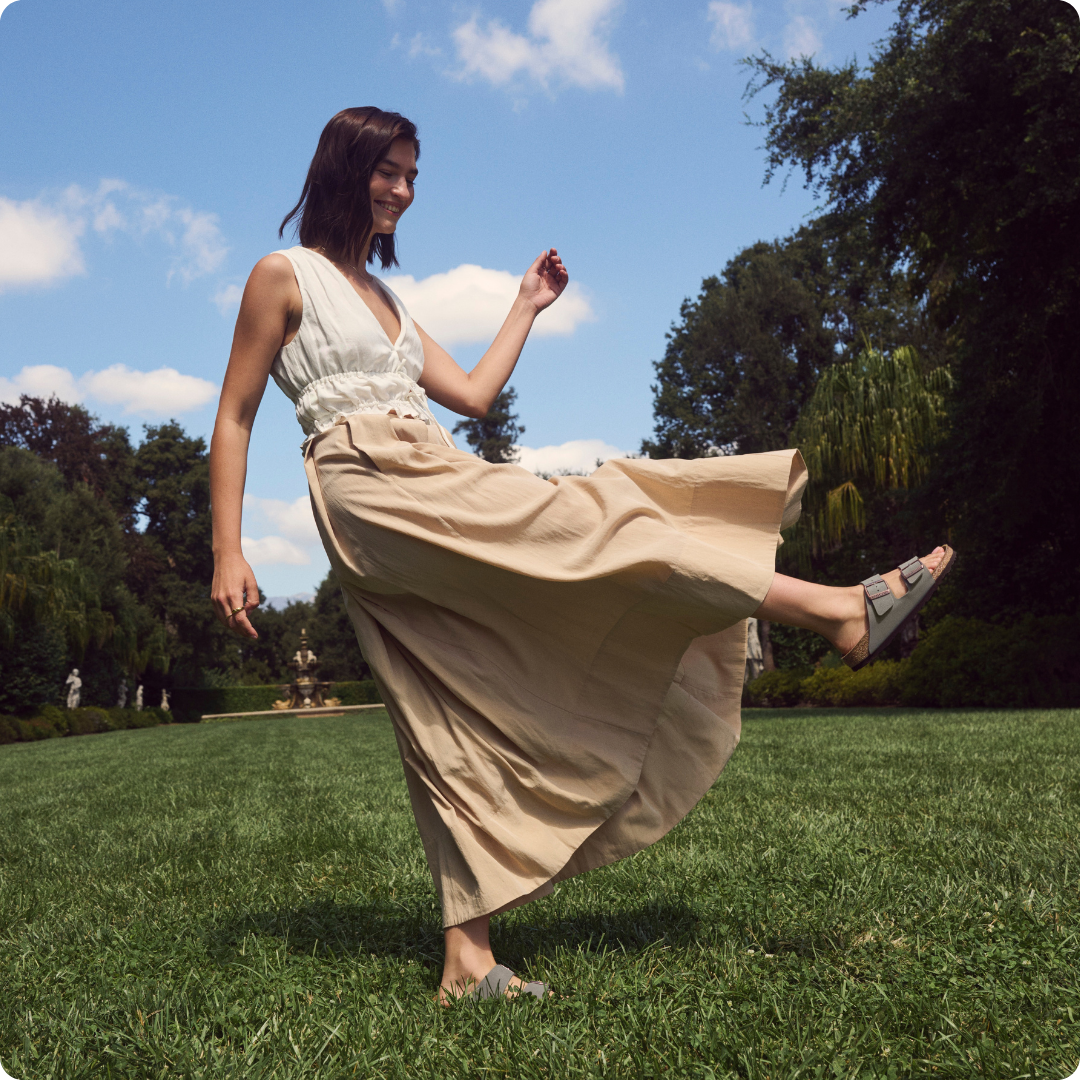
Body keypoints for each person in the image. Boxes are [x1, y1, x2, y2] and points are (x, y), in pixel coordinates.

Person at [209, 107, 953, 1004]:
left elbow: (476, 397)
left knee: (446, 706)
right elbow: (236, 413)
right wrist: (228, 549)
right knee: (604, 519)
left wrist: (525, 307)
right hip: (369, 481)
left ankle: (466, 962)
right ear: (346, 166)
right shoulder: (282, 275)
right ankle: (837, 611)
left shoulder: (390, 304)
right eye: (390, 172)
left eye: (412, 175)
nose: (403, 190)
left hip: (429, 463)